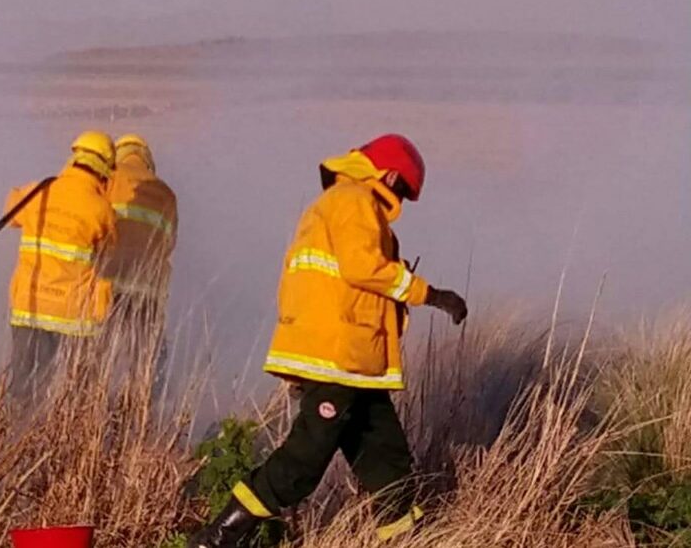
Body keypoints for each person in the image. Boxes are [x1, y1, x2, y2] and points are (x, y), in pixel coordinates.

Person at [189, 134, 468, 547]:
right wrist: (430, 294)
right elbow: (362, 267)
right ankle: (216, 538)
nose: (401, 202)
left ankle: (406, 539)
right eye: (403, 191)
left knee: (388, 462)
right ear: (390, 176)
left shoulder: (340, 204)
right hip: (337, 357)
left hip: (355, 363)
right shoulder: (354, 200)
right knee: (305, 459)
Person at [4, 130, 118, 400]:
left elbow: (10, 213)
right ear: (104, 170)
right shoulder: (101, 210)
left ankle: (17, 426)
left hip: (29, 308)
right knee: (73, 394)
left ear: (74, 158)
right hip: (74, 319)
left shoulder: (38, 193)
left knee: (23, 390)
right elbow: (109, 256)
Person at [102, 134, 178, 390]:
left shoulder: (108, 179)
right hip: (149, 290)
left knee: (98, 353)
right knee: (148, 356)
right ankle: (148, 400)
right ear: (147, 159)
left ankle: (92, 402)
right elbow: (169, 243)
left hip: (108, 285)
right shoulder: (166, 193)